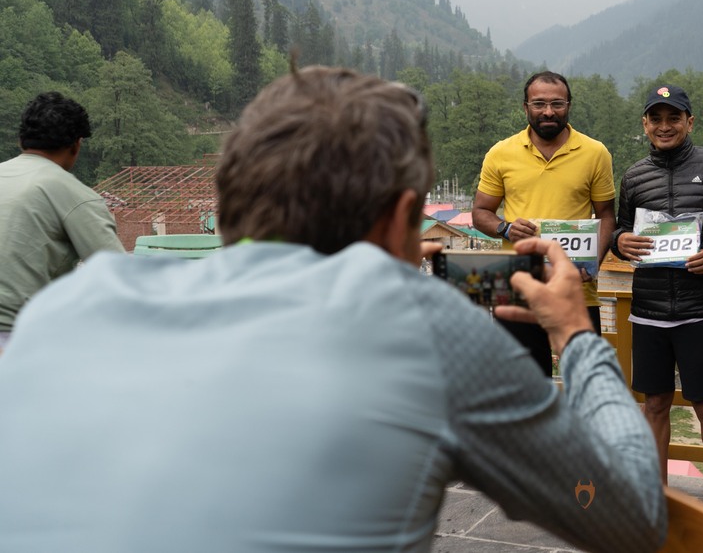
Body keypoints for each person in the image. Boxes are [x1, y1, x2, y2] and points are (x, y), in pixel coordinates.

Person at [0, 66, 667, 553]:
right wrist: (577, 335)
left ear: (231, 202)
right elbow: (630, 515)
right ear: (401, 219)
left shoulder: (64, 313)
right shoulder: (421, 331)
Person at [612, 84, 703, 512]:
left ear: (690, 122)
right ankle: (658, 491)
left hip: (699, 309)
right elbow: (618, 228)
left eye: (674, 118)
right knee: (654, 403)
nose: (665, 126)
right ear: (645, 124)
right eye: (656, 118)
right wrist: (621, 242)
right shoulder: (634, 175)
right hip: (649, 309)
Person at [473, 71, 616, 375]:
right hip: (518, 288)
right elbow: (480, 213)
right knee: (525, 387)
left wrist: (593, 264)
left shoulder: (595, 153)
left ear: (569, 105)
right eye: (539, 104)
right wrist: (505, 228)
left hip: (576, 287)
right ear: (525, 107)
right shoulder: (501, 153)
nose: (548, 112)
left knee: (586, 380)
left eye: (557, 104)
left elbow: (606, 215)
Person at [0, 92, 123, 352]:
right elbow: (120, 276)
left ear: (21, 140)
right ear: (76, 145)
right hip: (20, 339)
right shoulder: (73, 194)